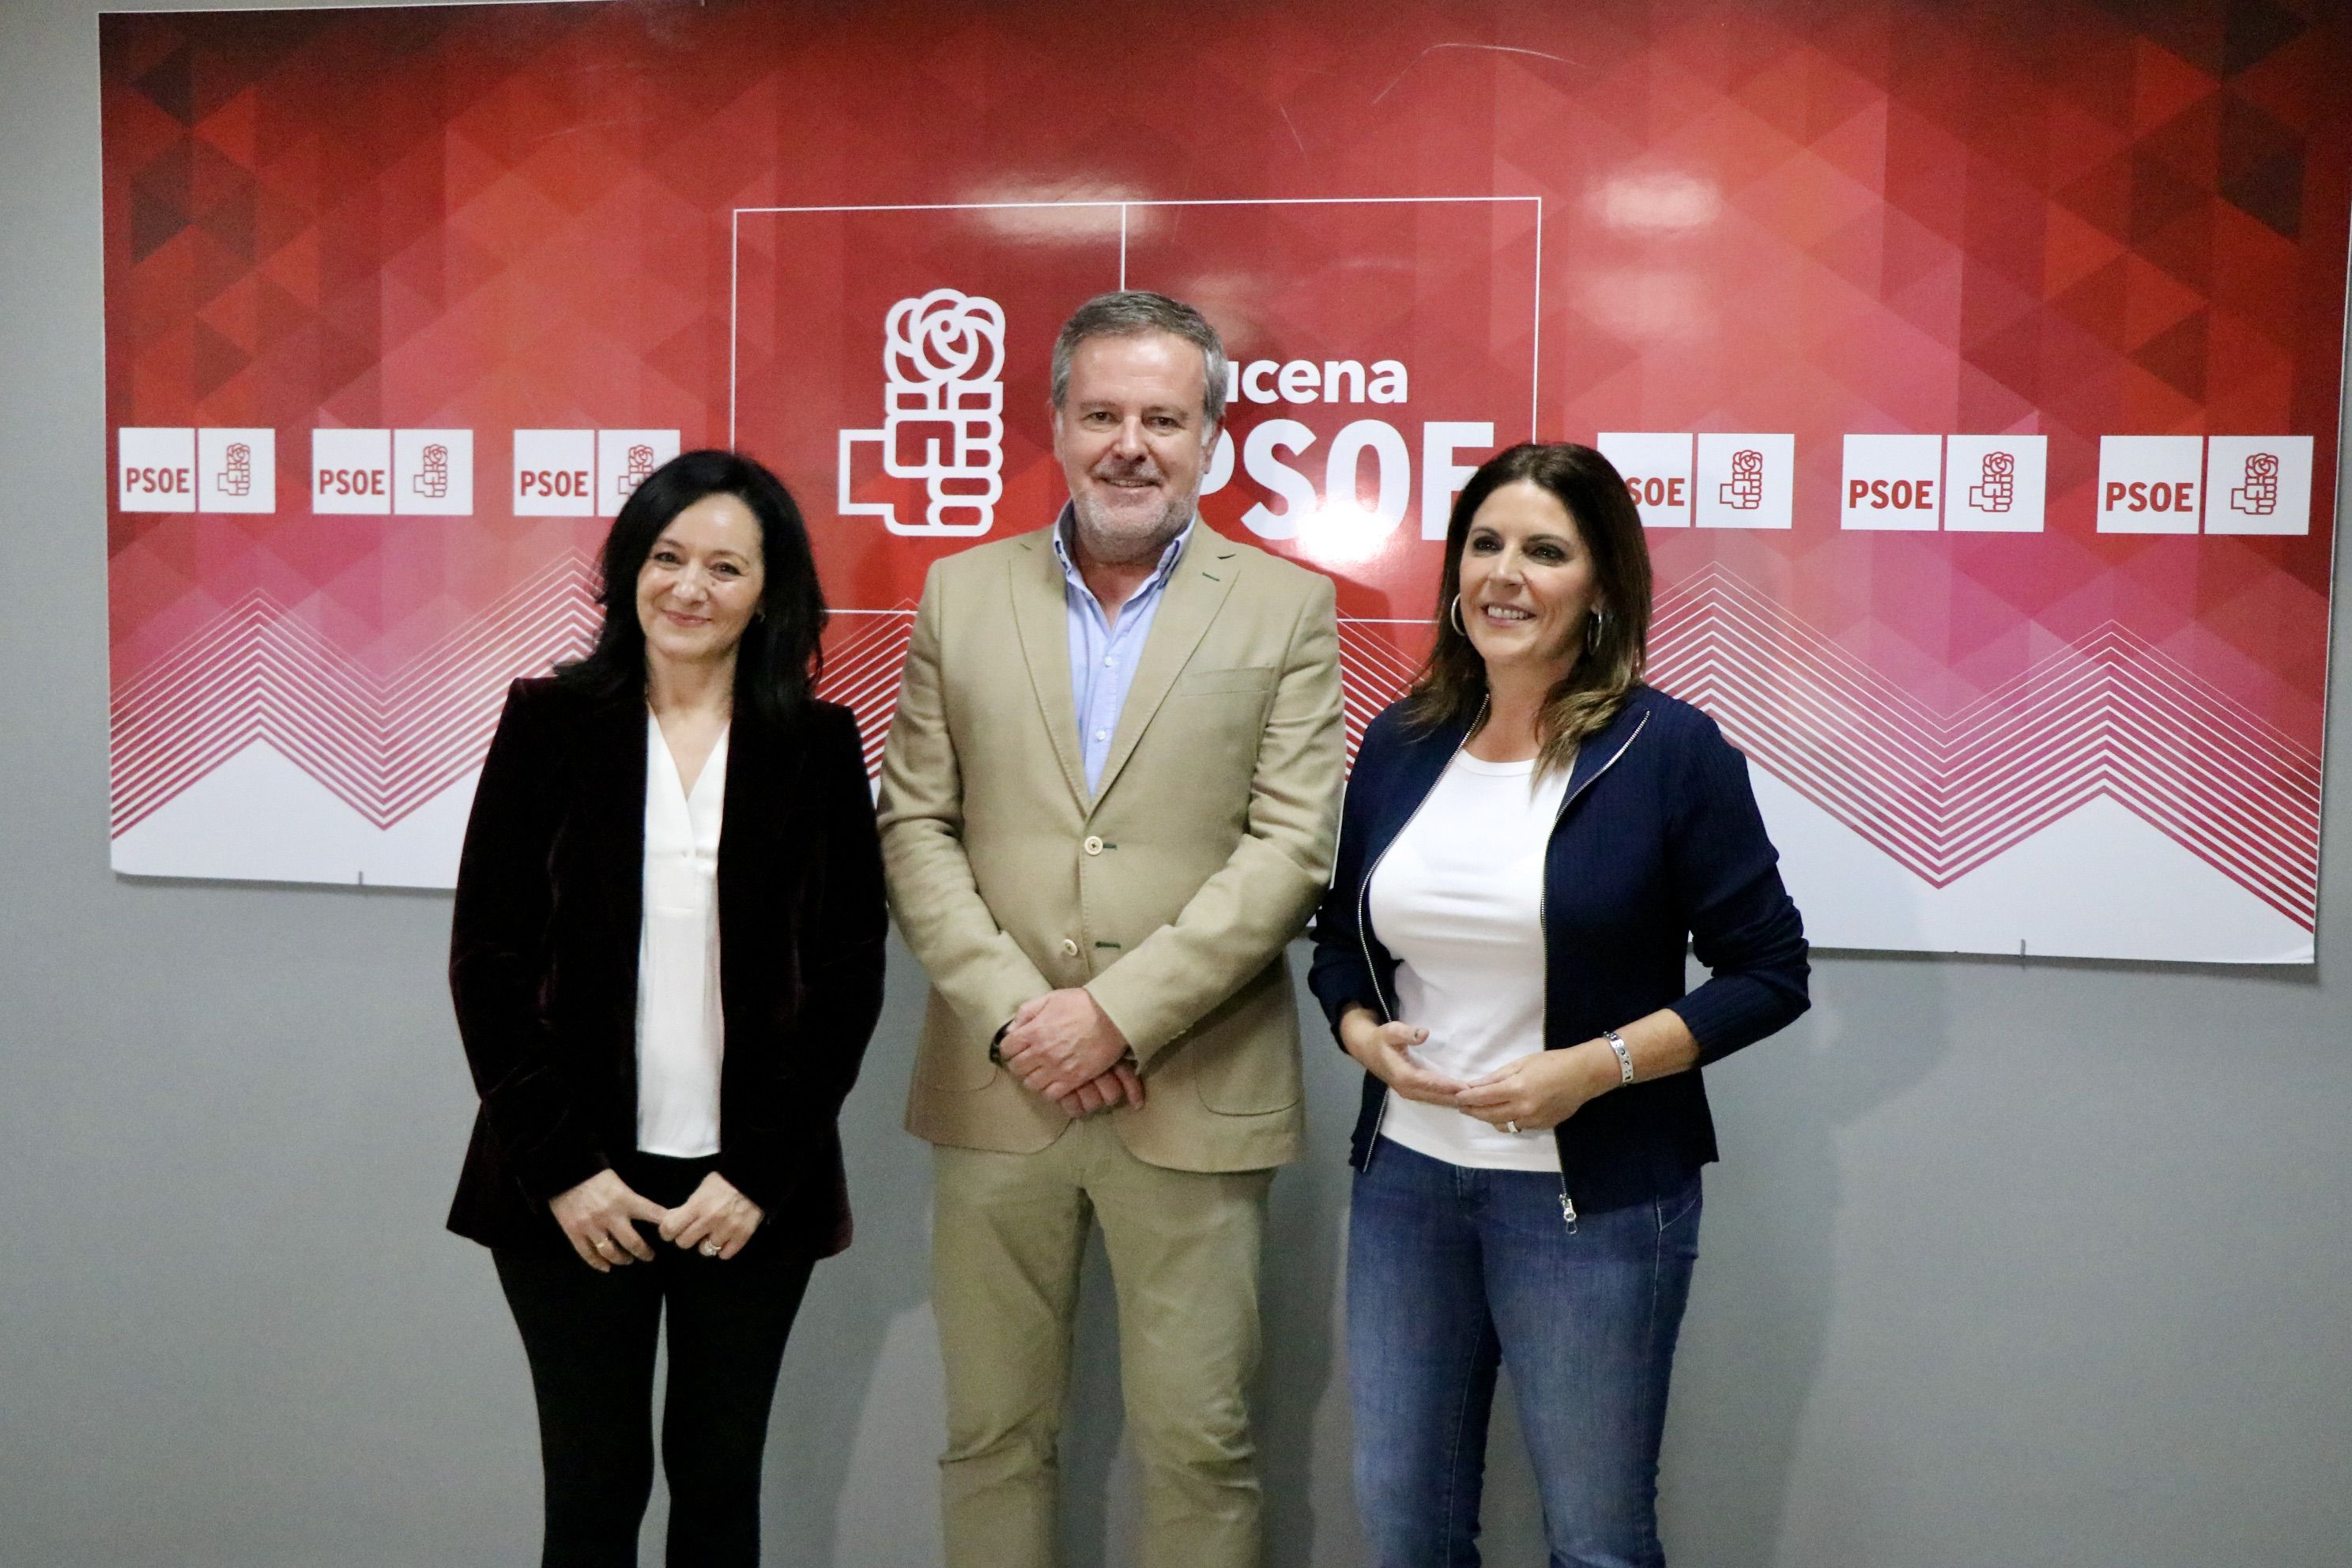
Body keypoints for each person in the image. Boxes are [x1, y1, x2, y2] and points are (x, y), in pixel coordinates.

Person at [876, 290, 1346, 1568]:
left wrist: (1116, 1015)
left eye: (1162, 417)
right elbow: (914, 825)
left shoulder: (1288, 609)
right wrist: (1026, 1019)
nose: (1129, 444)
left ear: (1211, 437)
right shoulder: (958, 596)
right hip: (999, 1085)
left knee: (1199, 1447)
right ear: (1057, 426)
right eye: (1101, 415)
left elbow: (1293, 848)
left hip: (1189, 1088)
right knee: (991, 1438)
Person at [1308, 442, 1809, 1568]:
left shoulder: (1669, 751)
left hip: (1593, 1205)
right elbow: (1339, 937)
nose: (1506, 575)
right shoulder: (1403, 742)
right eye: (1486, 545)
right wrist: (1360, 1037)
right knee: (1404, 1531)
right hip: (1408, 1189)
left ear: (1600, 584)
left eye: (1545, 550)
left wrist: (1589, 1069)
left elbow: (1770, 972)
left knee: (1596, 1542)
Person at [446, 449, 887, 1568]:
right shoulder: (548, 722)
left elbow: (846, 978)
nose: (690, 588)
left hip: (748, 1188)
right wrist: (564, 1172)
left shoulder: (818, 746)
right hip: (571, 1184)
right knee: (594, 1492)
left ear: (769, 592)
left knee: (717, 1488)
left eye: (726, 567)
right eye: (667, 557)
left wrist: (760, 1174)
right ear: (629, 572)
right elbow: (486, 962)